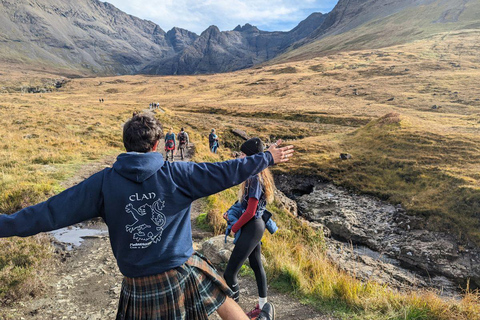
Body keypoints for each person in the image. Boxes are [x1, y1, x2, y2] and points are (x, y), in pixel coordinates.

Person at [0, 113, 293, 320]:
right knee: (211, 283)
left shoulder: (103, 183)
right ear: (156, 145)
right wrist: (267, 157)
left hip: (137, 284)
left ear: (126, 145)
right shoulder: (178, 173)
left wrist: (5, 224)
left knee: (207, 276)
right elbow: (227, 171)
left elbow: (49, 212)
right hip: (180, 271)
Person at [223, 137, 277, 319]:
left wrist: (234, 228)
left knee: (229, 273)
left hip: (252, 226)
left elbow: (250, 212)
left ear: (252, 157)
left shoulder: (254, 178)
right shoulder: (257, 174)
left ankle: (235, 313)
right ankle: (262, 307)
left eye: (244, 154)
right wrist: (230, 213)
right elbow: (247, 206)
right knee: (255, 264)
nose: (240, 157)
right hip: (255, 226)